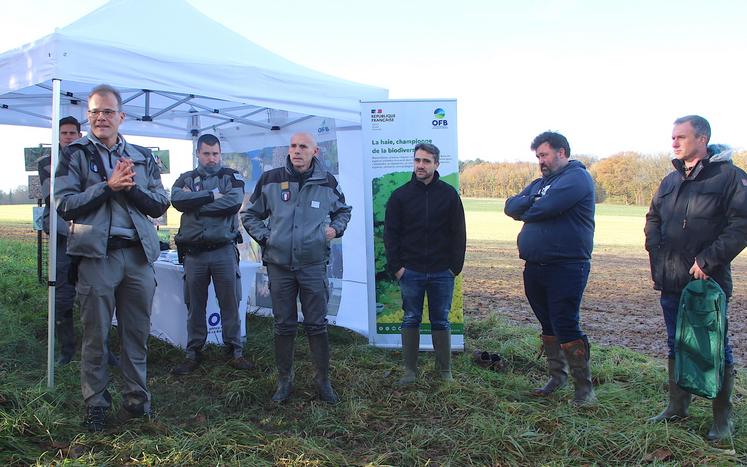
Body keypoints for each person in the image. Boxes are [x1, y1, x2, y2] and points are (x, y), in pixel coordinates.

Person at [55, 84, 170, 431]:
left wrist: (129, 187)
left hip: (137, 257)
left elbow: (160, 203)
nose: (101, 118)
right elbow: (64, 204)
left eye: (108, 112)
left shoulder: (142, 155)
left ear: (121, 116)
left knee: (137, 333)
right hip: (97, 257)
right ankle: (96, 405)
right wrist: (107, 186)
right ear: (88, 117)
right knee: (96, 335)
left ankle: (137, 400)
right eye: (94, 112)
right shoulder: (74, 154)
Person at [645, 115, 747, 441]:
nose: (674, 143)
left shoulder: (730, 177)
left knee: (713, 348)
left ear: (702, 139)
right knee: (675, 342)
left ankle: (722, 420)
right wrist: (656, 252)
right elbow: (653, 218)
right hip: (671, 279)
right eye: (673, 137)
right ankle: (677, 406)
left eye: (681, 137)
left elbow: (741, 225)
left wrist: (708, 260)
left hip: (708, 282)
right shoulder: (670, 181)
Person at [241, 132, 351, 404]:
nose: (297, 151)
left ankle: (322, 381)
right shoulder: (271, 180)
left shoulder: (327, 182)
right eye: (293, 146)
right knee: (283, 326)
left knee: (317, 325)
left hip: (313, 265)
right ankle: (284, 381)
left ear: (315, 152)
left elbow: (343, 210)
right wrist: (267, 237)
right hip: (280, 266)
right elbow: (249, 214)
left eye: (303, 147)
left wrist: (334, 228)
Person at [504, 131, 596, 406]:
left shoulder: (576, 178)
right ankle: (557, 377)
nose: (540, 161)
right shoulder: (540, 183)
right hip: (535, 266)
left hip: (566, 266)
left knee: (566, 324)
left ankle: (584, 390)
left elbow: (545, 208)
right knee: (547, 325)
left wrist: (529, 206)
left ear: (562, 152)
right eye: (537, 157)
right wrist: (530, 203)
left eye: (544, 155)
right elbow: (510, 206)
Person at [383, 143, 466, 385]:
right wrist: (397, 268)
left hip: (443, 271)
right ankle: (409, 371)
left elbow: (458, 233)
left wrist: (454, 267)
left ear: (436, 164)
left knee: (441, 319)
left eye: (426, 161)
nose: (421, 165)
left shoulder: (449, 194)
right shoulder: (400, 196)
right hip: (410, 271)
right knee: (411, 318)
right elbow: (391, 235)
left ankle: (445, 373)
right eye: (417, 160)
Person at [170, 133, 253, 374]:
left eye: (215, 153)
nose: (211, 158)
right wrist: (210, 196)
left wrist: (195, 206)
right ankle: (194, 352)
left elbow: (234, 202)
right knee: (195, 305)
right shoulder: (186, 178)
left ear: (220, 154)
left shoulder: (231, 177)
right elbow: (176, 199)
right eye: (206, 153)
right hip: (194, 253)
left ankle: (234, 351)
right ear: (198, 153)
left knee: (230, 302)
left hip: (223, 251)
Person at [38, 116, 81, 365]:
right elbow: (55, 198)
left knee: (96, 296)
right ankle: (66, 349)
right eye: (64, 133)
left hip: (87, 237)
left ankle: (101, 350)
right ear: (58, 136)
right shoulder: (47, 163)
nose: (68, 137)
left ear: (79, 134)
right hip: (63, 239)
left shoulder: (89, 159)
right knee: (63, 296)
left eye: (72, 133)